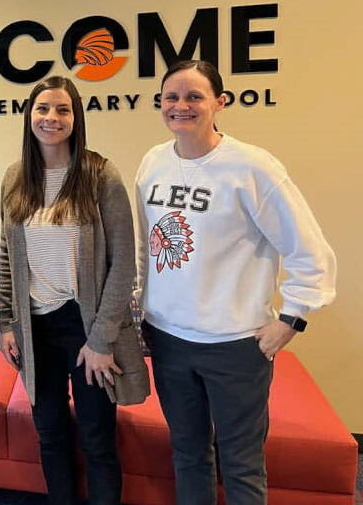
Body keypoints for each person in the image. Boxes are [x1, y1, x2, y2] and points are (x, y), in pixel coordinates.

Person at [135, 60, 336, 505]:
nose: (181, 106)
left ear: (219, 103)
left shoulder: (252, 167)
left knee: (241, 463)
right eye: (171, 97)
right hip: (168, 339)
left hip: (235, 345)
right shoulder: (152, 163)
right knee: (187, 454)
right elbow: (146, 247)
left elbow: (311, 251)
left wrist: (292, 318)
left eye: (194, 97)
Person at [0, 76, 149, 505]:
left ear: (76, 118)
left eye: (63, 110)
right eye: (43, 108)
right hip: (35, 327)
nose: (52, 118)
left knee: (98, 438)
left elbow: (123, 264)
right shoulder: (14, 178)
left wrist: (101, 340)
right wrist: (7, 321)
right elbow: (7, 255)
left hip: (87, 327)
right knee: (49, 434)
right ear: (29, 115)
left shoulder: (100, 174)